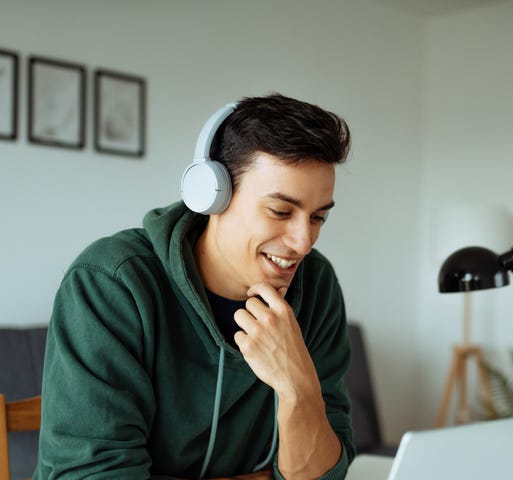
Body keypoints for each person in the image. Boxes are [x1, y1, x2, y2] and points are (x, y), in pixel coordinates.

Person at [33, 93, 354, 480]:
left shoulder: (317, 286)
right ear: (211, 195)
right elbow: (92, 474)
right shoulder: (111, 283)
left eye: (318, 217)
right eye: (280, 211)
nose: (304, 242)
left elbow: (324, 474)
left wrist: (297, 387)